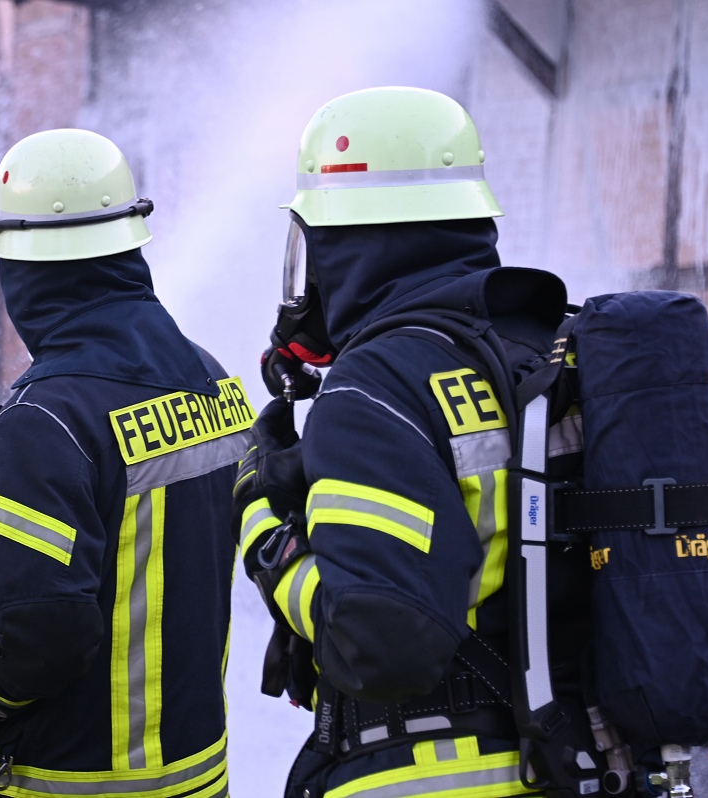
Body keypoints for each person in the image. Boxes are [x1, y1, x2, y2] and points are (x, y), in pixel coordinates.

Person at [234, 87, 589, 797]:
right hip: (572, 758)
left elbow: (380, 644)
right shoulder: (548, 351)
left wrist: (267, 537)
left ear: (349, 244)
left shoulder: (375, 387)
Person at [0, 129, 252, 798]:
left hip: (73, 782)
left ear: (23, 272)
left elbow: (40, 636)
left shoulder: (47, 416)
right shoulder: (215, 383)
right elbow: (130, 543)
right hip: (198, 776)